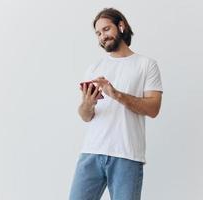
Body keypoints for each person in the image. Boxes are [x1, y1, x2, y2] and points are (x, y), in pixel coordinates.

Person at [69, 7, 163, 200]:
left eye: (106, 29)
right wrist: (88, 103)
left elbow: (153, 109)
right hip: (92, 152)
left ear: (121, 26)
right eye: (98, 33)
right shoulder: (94, 67)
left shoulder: (146, 64)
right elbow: (85, 116)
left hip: (127, 155)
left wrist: (115, 94)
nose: (102, 36)